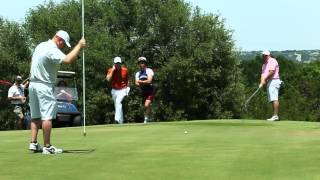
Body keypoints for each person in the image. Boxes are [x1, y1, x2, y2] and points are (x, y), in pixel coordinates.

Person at [28, 30, 86, 154]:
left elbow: (32, 62)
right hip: (44, 85)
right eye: (64, 44)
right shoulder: (52, 49)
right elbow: (67, 60)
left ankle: (33, 143)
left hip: (32, 84)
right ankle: (47, 146)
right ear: (60, 40)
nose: (63, 47)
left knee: (35, 116)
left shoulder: (40, 45)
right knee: (47, 117)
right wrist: (79, 46)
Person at [106, 57, 130, 124]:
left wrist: (128, 89)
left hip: (123, 89)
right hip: (114, 90)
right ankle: (121, 121)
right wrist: (113, 70)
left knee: (118, 102)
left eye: (119, 63)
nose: (118, 65)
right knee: (117, 105)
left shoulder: (125, 70)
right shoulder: (111, 70)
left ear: (121, 63)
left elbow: (127, 80)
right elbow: (108, 79)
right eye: (116, 63)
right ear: (114, 64)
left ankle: (116, 119)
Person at [259, 50, 282, 121]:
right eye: (263, 56)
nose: (264, 57)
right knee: (272, 99)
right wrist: (261, 82)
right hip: (270, 82)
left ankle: (275, 115)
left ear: (269, 55)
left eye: (266, 55)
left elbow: (272, 72)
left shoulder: (272, 61)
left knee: (274, 98)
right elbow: (262, 74)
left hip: (274, 81)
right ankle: (275, 115)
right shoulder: (264, 65)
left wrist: (264, 80)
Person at [135, 57, 155, 123]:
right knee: (145, 106)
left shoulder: (149, 70)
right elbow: (136, 83)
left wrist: (141, 82)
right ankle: (151, 116)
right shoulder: (137, 73)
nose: (141, 64)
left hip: (150, 91)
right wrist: (142, 82)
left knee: (146, 105)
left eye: (143, 63)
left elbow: (149, 81)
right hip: (143, 92)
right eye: (140, 63)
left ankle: (146, 119)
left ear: (145, 64)